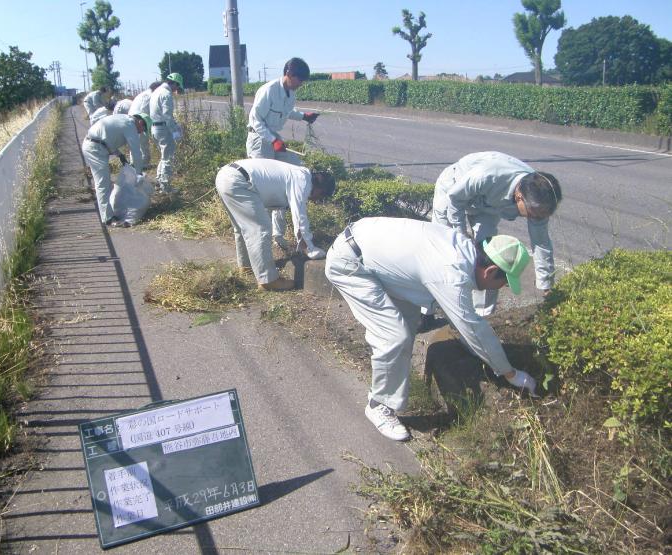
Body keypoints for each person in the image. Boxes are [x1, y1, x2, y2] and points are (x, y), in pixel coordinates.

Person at [325, 218, 537, 441]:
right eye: (504, 281)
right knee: (394, 336)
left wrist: (478, 347)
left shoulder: (462, 250)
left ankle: (386, 391)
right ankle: (378, 405)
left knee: (407, 325)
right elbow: (473, 327)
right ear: (490, 271)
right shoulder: (450, 273)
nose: (503, 287)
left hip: (369, 252)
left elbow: (463, 321)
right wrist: (511, 373)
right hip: (351, 265)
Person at [432, 151, 562, 316]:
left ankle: (483, 315)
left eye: (540, 215)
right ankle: (427, 311)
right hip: (454, 190)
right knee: (443, 251)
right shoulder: (487, 175)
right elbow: (455, 199)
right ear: (519, 196)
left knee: (490, 258)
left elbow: (541, 243)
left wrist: (546, 286)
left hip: (487, 207)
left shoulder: (539, 202)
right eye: (532, 213)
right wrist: (461, 236)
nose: (535, 219)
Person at [215, 159, 335, 291]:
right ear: (320, 189)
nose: (317, 200)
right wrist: (310, 248)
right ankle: (268, 281)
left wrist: (280, 237)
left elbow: (279, 211)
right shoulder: (303, 181)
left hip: (226, 176)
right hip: (239, 181)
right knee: (261, 229)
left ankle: (246, 266)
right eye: (321, 196)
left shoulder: (297, 174)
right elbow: (300, 217)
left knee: (243, 227)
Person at [246, 57, 320, 250]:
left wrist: (304, 116)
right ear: (289, 74)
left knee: (292, 172)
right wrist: (274, 140)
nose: (301, 84)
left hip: (273, 139)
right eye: (300, 80)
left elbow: (287, 112)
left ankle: (277, 234)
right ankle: (259, 236)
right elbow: (255, 120)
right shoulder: (268, 90)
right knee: (264, 187)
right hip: (259, 141)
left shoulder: (290, 93)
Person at [82, 113, 152, 226]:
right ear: (140, 122)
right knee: (103, 183)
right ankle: (108, 218)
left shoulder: (124, 119)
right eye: (142, 129)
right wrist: (138, 173)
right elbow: (136, 151)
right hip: (95, 149)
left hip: (96, 145)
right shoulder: (130, 125)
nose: (140, 132)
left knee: (105, 183)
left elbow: (108, 137)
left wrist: (119, 154)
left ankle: (109, 212)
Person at [149, 73, 183, 193]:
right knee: (168, 158)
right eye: (177, 87)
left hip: (155, 128)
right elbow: (167, 116)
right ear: (174, 83)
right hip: (163, 128)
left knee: (163, 157)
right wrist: (175, 131)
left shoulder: (157, 91)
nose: (176, 90)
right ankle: (166, 187)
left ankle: (159, 182)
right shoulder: (166, 94)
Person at [128, 82, 161, 165]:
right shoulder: (149, 96)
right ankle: (143, 164)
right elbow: (144, 111)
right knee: (142, 143)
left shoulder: (143, 94)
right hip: (139, 121)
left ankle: (135, 164)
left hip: (133, 120)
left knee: (136, 144)